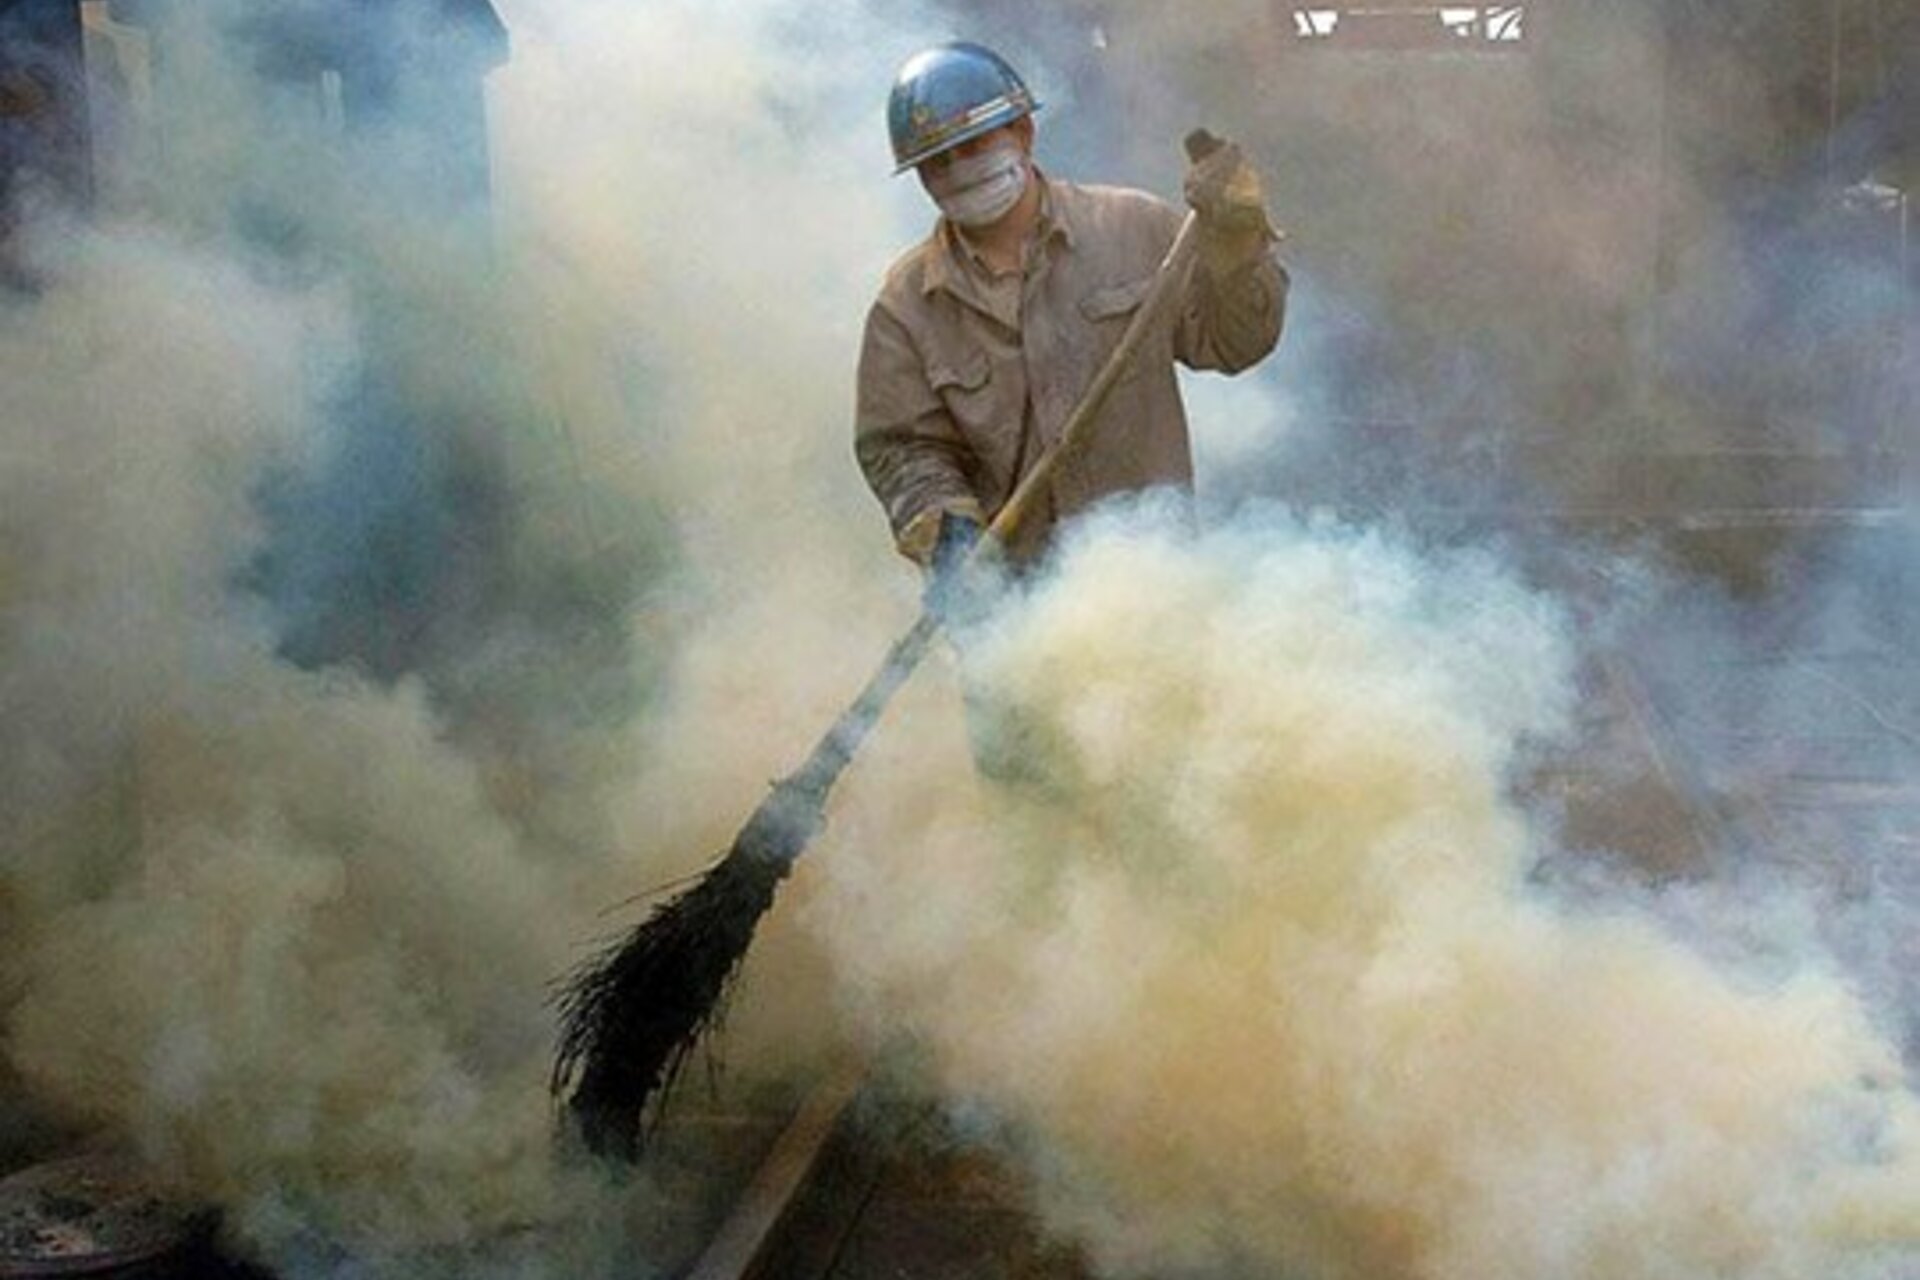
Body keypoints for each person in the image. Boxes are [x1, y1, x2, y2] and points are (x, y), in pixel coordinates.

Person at [853, 41, 1289, 613]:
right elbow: (901, 447)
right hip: (1011, 616)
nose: (958, 170)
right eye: (937, 162)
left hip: (1155, 592)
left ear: (1024, 132)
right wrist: (948, 536)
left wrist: (1234, 241)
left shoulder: (1133, 228)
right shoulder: (906, 307)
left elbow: (1234, 345)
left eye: (974, 145)